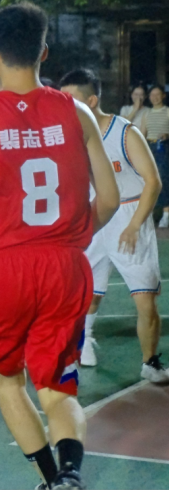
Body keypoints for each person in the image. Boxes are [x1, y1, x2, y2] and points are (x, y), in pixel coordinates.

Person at [0, 2, 119, 490]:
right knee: (58, 388)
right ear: (43, 52)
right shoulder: (77, 112)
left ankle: (52, 480)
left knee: (8, 381)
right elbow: (110, 198)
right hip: (63, 266)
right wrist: (72, 239)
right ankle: (70, 474)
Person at [60, 69, 169, 382]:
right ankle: (84, 342)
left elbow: (153, 182)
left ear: (92, 100)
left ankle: (150, 362)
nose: (64, 106)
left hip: (128, 216)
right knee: (86, 291)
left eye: (71, 100)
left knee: (145, 298)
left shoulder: (125, 132)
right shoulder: (70, 136)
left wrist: (134, 225)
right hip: (95, 216)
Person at [141, 85, 169, 227]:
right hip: (149, 147)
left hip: (164, 147)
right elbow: (142, 134)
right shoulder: (147, 113)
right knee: (147, 179)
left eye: (158, 94)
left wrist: (167, 135)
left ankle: (166, 214)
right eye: (152, 95)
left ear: (163, 96)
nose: (155, 97)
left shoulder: (167, 111)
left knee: (163, 178)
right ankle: (149, 213)